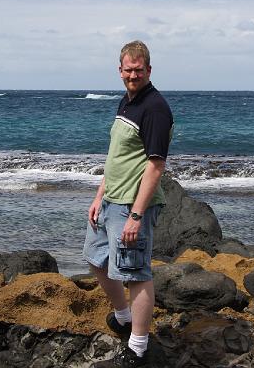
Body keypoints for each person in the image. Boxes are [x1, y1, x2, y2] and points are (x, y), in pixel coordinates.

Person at [84, 40, 173, 367]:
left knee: (135, 273)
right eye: (127, 70)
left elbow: (155, 165)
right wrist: (98, 196)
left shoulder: (155, 108)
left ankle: (138, 347)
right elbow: (117, 157)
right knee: (96, 258)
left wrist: (136, 215)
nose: (132, 75)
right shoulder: (127, 101)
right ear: (120, 70)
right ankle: (123, 316)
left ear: (149, 70)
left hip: (131, 206)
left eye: (138, 70)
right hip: (110, 201)